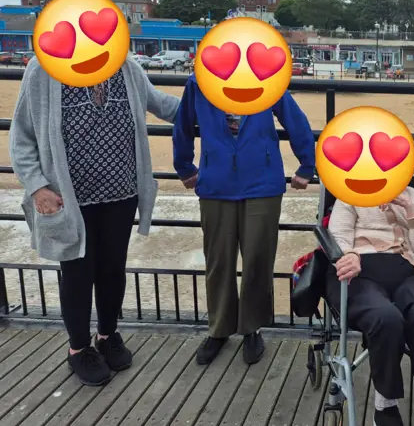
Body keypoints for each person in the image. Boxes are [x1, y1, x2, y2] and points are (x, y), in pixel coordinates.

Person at [9, 56, 179, 386]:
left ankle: (107, 335)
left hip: (122, 194)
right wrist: (37, 186)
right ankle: (78, 348)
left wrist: (217, 104)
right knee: (77, 273)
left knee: (113, 269)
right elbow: (22, 134)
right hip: (69, 200)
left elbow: (163, 104)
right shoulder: (43, 69)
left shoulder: (125, 66)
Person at [172, 75, 315, 366]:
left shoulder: (268, 79)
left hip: (263, 184)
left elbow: (295, 120)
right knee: (218, 261)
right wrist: (184, 166)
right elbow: (183, 125)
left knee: (258, 260)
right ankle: (219, 329)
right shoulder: (199, 82)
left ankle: (252, 328)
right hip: (215, 185)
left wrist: (306, 164)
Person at [327, 185, 414, 426]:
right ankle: (385, 402)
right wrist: (348, 254)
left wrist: (409, 210)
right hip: (361, 270)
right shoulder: (351, 194)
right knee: (386, 318)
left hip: (408, 268)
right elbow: (338, 235)